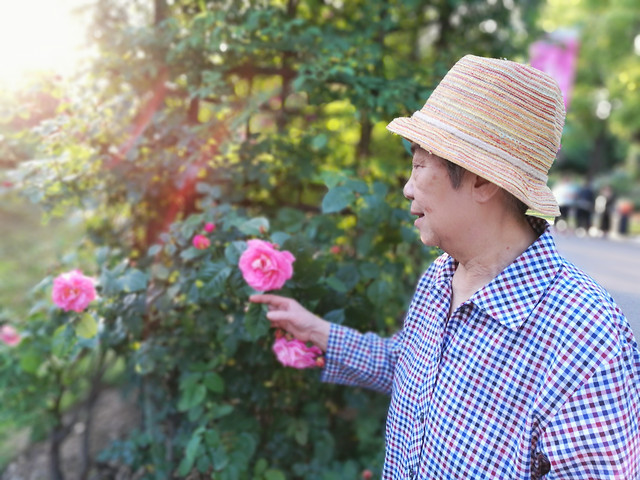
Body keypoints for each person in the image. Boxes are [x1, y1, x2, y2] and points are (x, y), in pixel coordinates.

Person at [251, 55, 640, 479]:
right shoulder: (441, 277)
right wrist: (317, 332)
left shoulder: (586, 337)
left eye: (420, 166)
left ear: (482, 179)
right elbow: (409, 366)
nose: (406, 188)